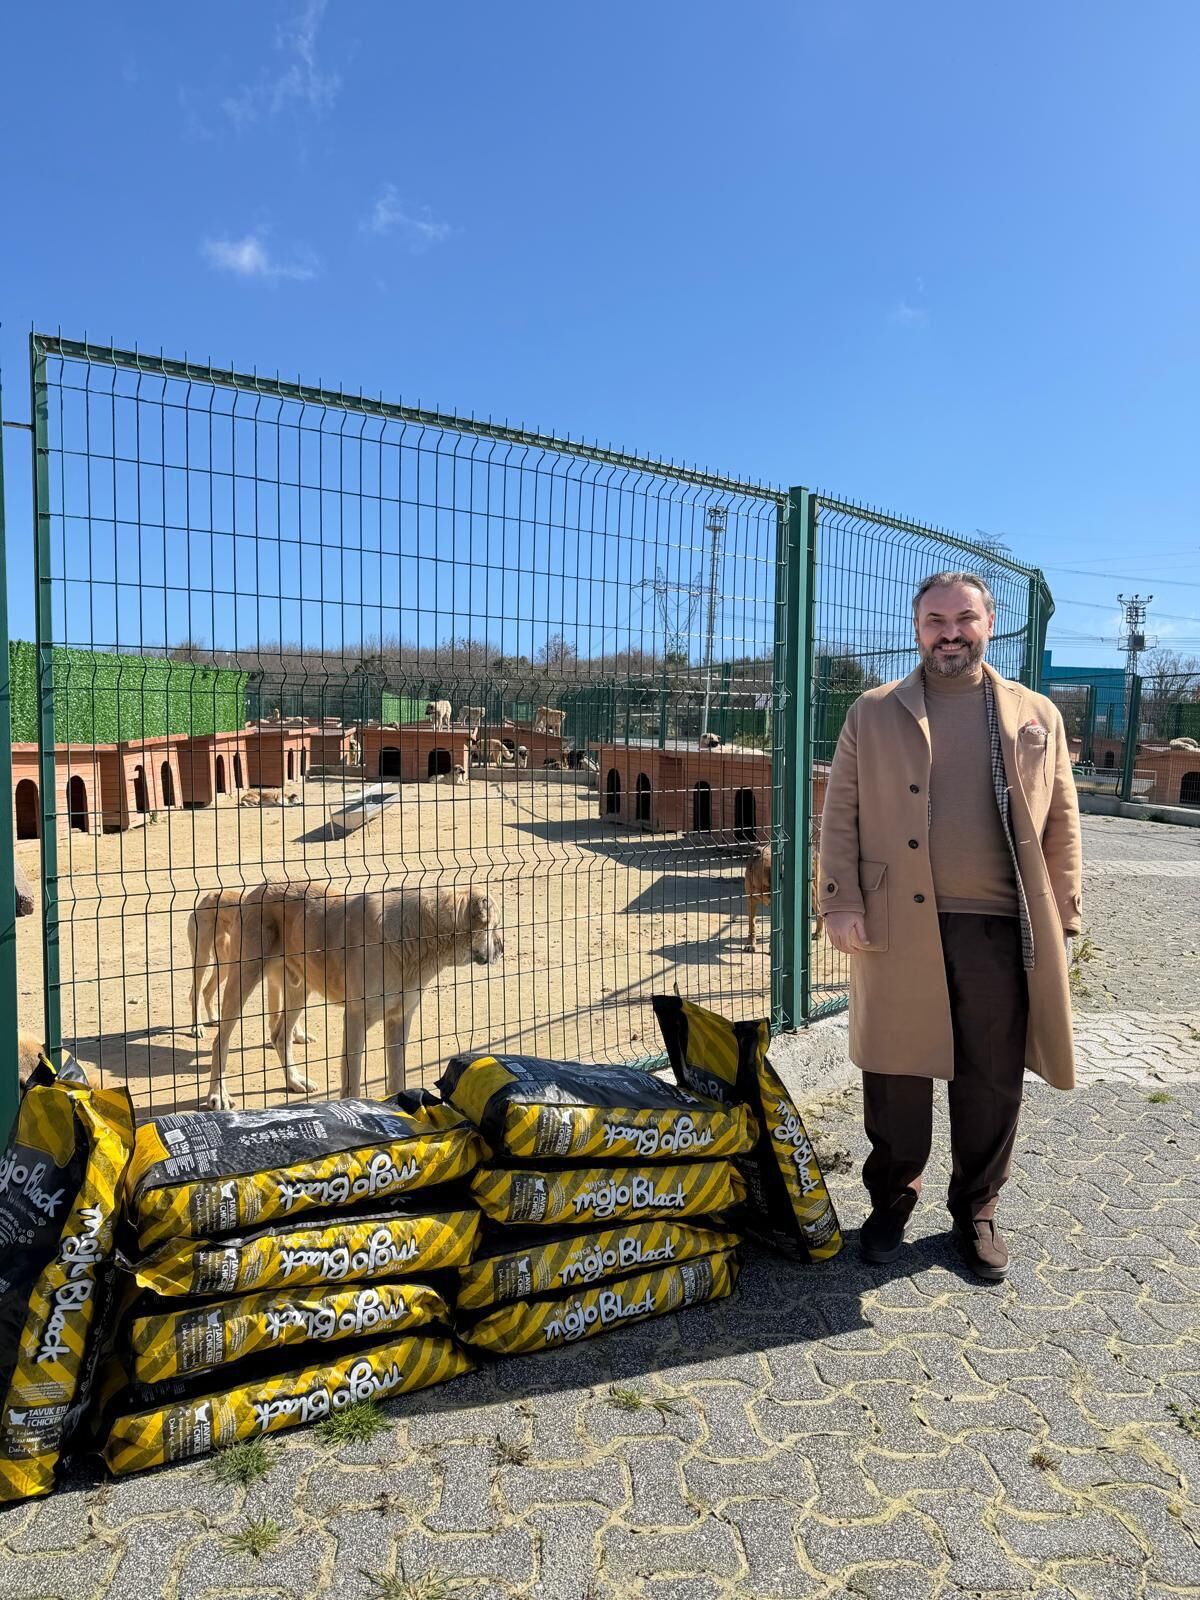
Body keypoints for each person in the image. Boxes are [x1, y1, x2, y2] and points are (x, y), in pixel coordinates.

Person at [817, 571, 1082, 1280]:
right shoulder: (873, 712)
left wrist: (1064, 914)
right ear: (917, 629)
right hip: (897, 922)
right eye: (935, 620)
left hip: (1000, 925)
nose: (950, 633)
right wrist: (840, 900)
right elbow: (840, 812)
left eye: (964, 618)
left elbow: (1062, 820)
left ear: (989, 625)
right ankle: (892, 1200)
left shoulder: (1036, 714)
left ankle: (976, 1208)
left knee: (991, 1076)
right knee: (896, 1071)